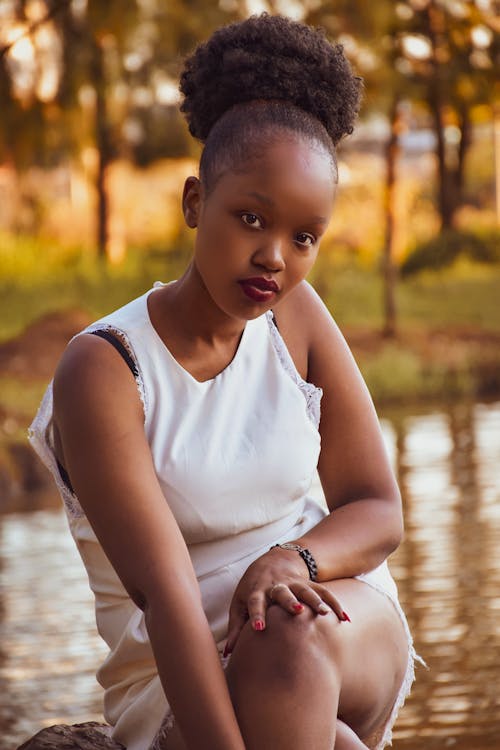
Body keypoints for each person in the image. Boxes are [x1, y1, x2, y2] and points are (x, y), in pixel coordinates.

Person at [29, 13, 421, 750]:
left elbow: (378, 509)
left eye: (304, 237)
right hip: (180, 682)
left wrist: (288, 561)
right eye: (250, 218)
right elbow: (168, 597)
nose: (275, 257)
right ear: (193, 203)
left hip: (335, 635)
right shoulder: (107, 367)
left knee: (289, 634)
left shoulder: (296, 318)